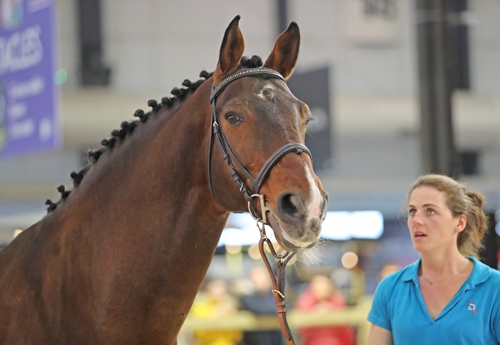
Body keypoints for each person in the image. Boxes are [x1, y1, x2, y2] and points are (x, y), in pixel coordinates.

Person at [367, 174, 500, 345]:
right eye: (412, 211)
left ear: (459, 223)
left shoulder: (494, 288)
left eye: (430, 211)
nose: (417, 220)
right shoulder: (390, 289)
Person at [295, 274, 357, 345]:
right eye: (318, 286)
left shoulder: (338, 301)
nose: (322, 289)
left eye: (324, 285)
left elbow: (346, 328)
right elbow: (301, 329)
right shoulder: (305, 301)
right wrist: (316, 311)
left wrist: (332, 311)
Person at [190, 278, 242, 345]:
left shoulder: (230, 308)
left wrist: (233, 315)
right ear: (208, 290)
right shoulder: (200, 307)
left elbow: (237, 336)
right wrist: (217, 312)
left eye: (223, 288)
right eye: (217, 287)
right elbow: (199, 334)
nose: (220, 291)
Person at [239, 266, 283, 345]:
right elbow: (257, 308)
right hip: (253, 341)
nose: (259, 281)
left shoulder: (278, 296)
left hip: (274, 340)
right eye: (256, 280)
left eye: (262, 278)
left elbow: (284, 307)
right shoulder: (247, 299)